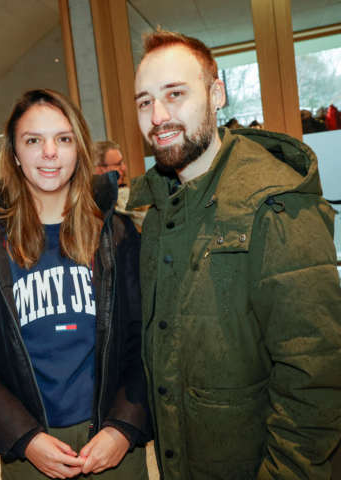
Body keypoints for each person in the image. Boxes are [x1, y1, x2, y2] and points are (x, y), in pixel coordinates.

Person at [128, 28, 341, 479]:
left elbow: (316, 377)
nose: (158, 116)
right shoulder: (157, 213)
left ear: (216, 94)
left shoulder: (278, 203)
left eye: (175, 93)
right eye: (145, 101)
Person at [0, 89, 151, 480]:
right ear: (15, 153)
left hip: (111, 446)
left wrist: (124, 426)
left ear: (80, 148)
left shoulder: (118, 233)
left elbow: (145, 336)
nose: (49, 153)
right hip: (31, 453)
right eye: (33, 140)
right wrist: (23, 436)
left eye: (63, 138)